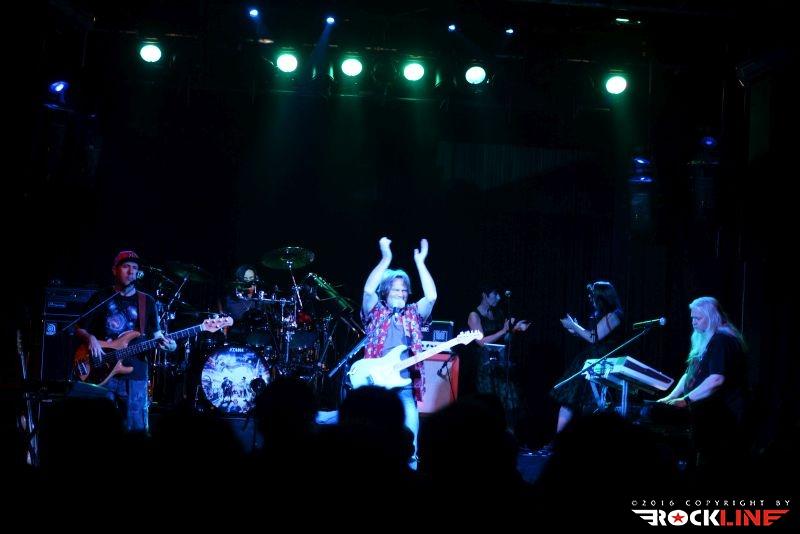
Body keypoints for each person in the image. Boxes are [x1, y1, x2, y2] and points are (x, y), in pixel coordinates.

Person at [75, 251, 177, 432]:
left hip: (135, 374)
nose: (131, 271)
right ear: (115, 270)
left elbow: (157, 335)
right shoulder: (101, 297)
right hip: (100, 371)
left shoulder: (147, 301)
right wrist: (91, 338)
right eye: (126, 266)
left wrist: (170, 345)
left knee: (136, 430)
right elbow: (79, 328)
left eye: (135, 268)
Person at [360, 237, 437, 467]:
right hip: (376, 385)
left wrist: (420, 262)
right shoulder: (376, 310)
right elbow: (368, 289)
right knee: (372, 441)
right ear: (385, 291)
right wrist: (386, 258)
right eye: (395, 289)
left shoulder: (413, 313)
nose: (401, 293)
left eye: (404, 290)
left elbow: (431, 297)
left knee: (410, 445)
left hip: (405, 386)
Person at [656, 296, 749, 475]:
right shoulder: (705, 340)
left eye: (698, 318)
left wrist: (685, 400)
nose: (693, 322)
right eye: (692, 318)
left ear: (712, 317)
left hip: (725, 417)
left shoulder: (722, 340)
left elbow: (716, 379)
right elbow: (689, 375)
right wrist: (671, 397)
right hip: (708, 415)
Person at [550, 280, 623, 433]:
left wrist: (574, 325)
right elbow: (592, 336)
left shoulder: (614, 315)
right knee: (569, 401)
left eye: (593, 296)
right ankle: (557, 439)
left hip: (602, 362)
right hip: (589, 359)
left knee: (594, 404)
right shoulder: (601, 314)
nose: (590, 299)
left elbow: (593, 337)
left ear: (602, 297)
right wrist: (575, 330)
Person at [463, 285, 530, 429]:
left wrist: (514, 329)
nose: (498, 298)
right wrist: (504, 330)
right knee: (488, 404)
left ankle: (508, 434)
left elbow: (505, 339)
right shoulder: (474, 315)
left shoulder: (497, 313)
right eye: (495, 294)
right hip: (484, 366)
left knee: (510, 400)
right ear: (484, 295)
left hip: (500, 362)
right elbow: (481, 342)